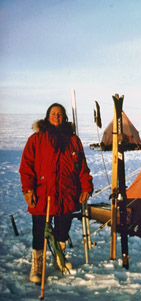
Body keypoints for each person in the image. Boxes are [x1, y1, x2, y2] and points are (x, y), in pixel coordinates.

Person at [19, 103, 93, 284]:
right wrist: (28, 189)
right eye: (53, 113)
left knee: (62, 228)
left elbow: (81, 166)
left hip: (67, 192)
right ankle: (37, 265)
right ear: (47, 116)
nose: (57, 117)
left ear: (64, 117)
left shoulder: (73, 140)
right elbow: (26, 166)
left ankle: (59, 257)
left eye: (60, 114)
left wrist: (86, 187)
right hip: (43, 193)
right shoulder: (36, 139)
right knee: (39, 230)